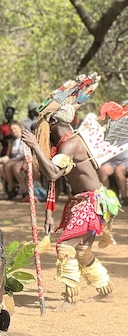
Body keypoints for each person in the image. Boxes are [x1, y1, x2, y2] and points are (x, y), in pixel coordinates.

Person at [22, 101, 118, 312]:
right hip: (84, 201)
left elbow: (53, 173)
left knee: (66, 246)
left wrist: (35, 145)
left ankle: (71, 298)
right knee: (82, 251)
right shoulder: (65, 144)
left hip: (93, 202)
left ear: (53, 121)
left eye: (45, 121)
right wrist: (49, 214)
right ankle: (106, 291)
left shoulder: (72, 143)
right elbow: (54, 179)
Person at [0, 122, 28, 200]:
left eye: (15, 128)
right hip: (13, 159)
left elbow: (27, 153)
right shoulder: (11, 141)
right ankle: (13, 184)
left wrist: (15, 159)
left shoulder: (25, 139)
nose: (13, 131)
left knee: (10, 165)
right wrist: (3, 159)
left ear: (20, 129)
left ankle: (13, 186)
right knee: (0, 167)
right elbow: (8, 154)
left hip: (23, 159)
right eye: (12, 129)